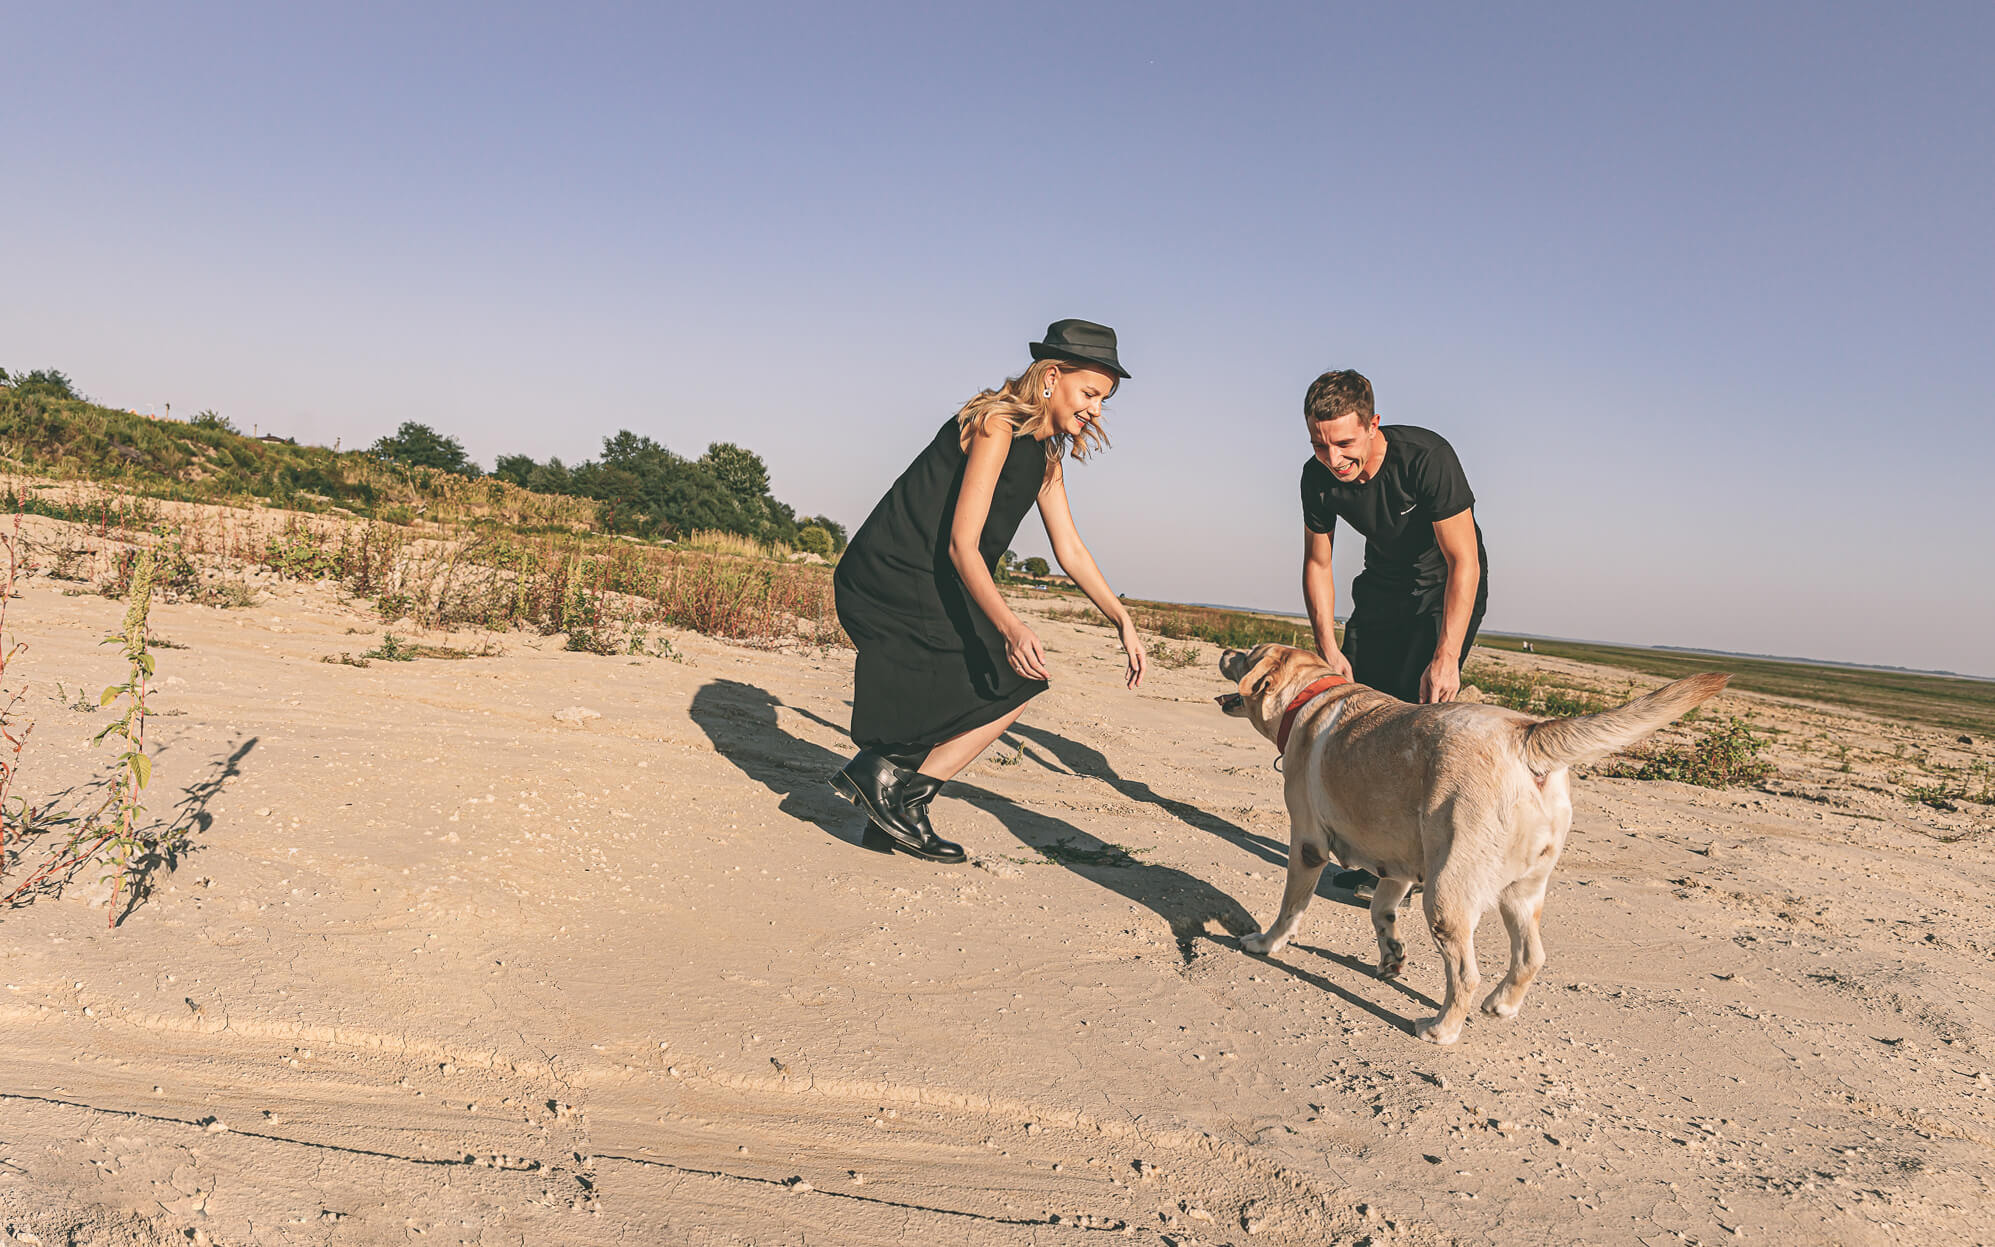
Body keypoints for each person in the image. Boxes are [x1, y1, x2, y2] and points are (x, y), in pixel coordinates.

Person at [830, 320, 1147, 862]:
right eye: (1090, 393)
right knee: (1007, 678)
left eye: (1103, 400)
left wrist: (1121, 617)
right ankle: (893, 791)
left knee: (994, 681)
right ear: (1051, 376)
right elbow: (961, 543)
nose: (1095, 409)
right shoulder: (995, 423)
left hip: (938, 580)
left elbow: (1069, 549)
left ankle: (889, 811)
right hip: (894, 572)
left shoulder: (1046, 455)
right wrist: (1010, 625)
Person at [1297, 369, 1489, 893]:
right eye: (1319, 444)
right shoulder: (1317, 479)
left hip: (1442, 587)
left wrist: (1446, 655)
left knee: (1418, 714)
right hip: (1383, 584)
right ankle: (1374, 854)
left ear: (1373, 424)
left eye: (1343, 443)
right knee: (1361, 713)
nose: (1332, 458)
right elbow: (1318, 564)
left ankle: (1419, 867)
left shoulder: (1425, 458)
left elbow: (1463, 561)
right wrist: (1328, 648)